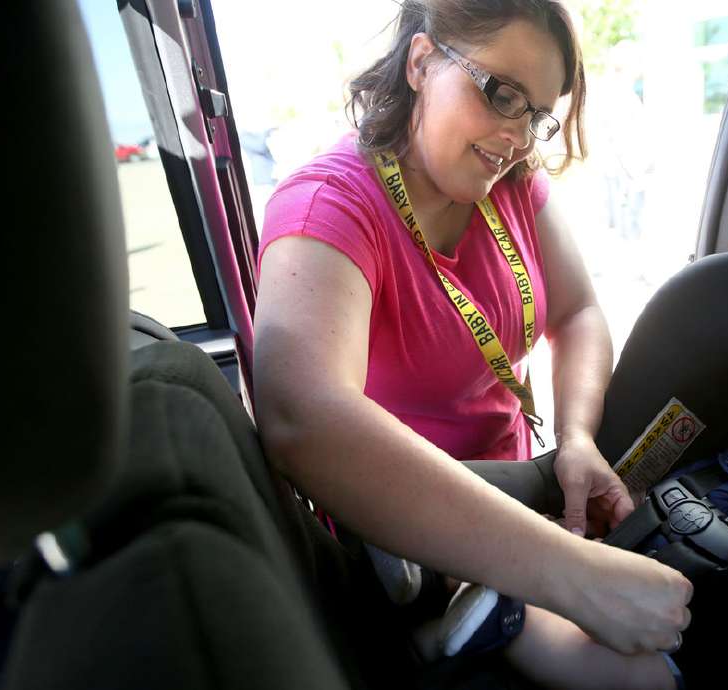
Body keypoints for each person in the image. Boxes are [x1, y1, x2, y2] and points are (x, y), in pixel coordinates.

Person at [252, 0, 691, 657]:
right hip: (410, 536)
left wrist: (574, 440)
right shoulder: (331, 206)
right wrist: (574, 576)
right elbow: (302, 415)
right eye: (502, 93)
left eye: (539, 115)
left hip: (524, 495)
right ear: (422, 62)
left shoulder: (512, 184)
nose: (517, 138)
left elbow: (578, 313)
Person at [418, 368, 728, 690]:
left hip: (682, 656)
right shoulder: (712, 471)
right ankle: (433, 568)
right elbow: (632, 517)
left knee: (642, 678)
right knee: (537, 534)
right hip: (600, 580)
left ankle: (501, 618)